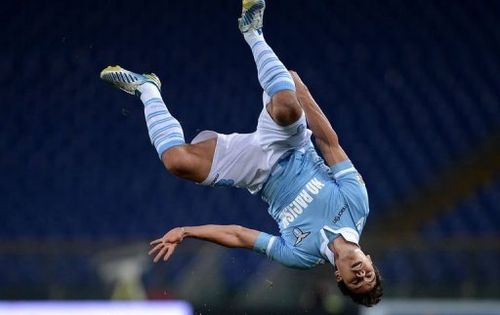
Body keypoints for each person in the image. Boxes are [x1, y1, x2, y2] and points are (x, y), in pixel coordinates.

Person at [100, 0, 382, 307]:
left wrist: (186, 231)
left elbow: (239, 236)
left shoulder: (301, 255)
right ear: (369, 260)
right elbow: (329, 143)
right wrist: (301, 89)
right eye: (368, 273)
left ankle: (147, 89)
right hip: (291, 145)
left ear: (340, 277)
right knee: (287, 106)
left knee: (176, 161)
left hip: (256, 173)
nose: (360, 273)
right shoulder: (357, 205)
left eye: (356, 280)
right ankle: (253, 31)